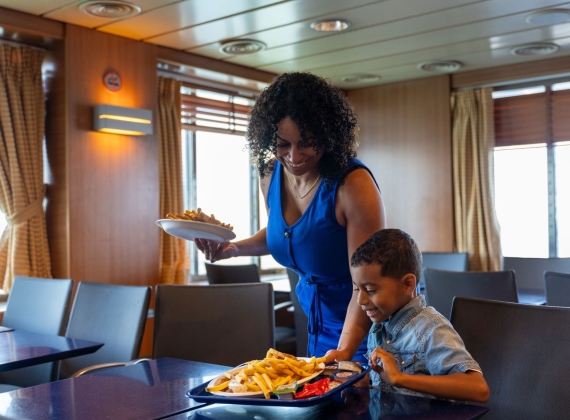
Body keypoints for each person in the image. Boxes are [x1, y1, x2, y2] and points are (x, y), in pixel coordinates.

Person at [195, 72, 385, 363]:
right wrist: (234, 248)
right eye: (283, 144)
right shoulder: (270, 175)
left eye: (307, 142)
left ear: (328, 134)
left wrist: (345, 352)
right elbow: (286, 235)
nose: (295, 156)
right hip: (316, 328)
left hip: (368, 328)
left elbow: (368, 285)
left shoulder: (353, 185)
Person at [350, 228, 490, 403]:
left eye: (370, 290)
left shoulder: (431, 329)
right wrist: (368, 380)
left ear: (407, 284)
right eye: (357, 288)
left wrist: (400, 379)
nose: (360, 300)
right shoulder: (380, 325)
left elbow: (478, 389)